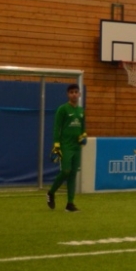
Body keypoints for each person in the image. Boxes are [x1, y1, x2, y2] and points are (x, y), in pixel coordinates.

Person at [47, 84, 86, 212]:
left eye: (76, 92)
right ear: (67, 94)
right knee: (66, 171)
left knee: (73, 174)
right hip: (66, 146)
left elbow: (83, 129)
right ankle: (51, 192)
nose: (74, 94)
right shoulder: (62, 109)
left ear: (79, 94)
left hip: (76, 147)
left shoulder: (81, 111)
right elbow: (56, 128)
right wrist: (56, 145)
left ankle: (70, 204)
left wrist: (83, 137)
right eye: (71, 92)